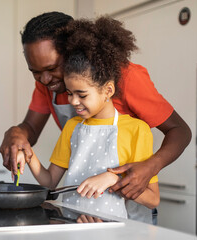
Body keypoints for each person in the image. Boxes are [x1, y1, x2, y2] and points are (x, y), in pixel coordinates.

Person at [0, 11, 191, 201]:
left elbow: (179, 130)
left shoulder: (124, 77)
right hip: (85, 207)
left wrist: (152, 165)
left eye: (52, 68)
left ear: (74, 52)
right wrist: (16, 133)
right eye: (35, 72)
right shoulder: (48, 84)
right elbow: (31, 129)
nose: (45, 79)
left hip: (128, 200)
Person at [16, 17, 160, 222]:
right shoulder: (73, 127)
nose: (73, 102)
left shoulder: (137, 130)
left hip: (121, 231)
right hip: (75, 225)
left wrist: (113, 180)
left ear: (108, 90)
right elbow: (49, 182)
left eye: (82, 95)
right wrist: (28, 154)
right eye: (70, 93)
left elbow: (153, 200)